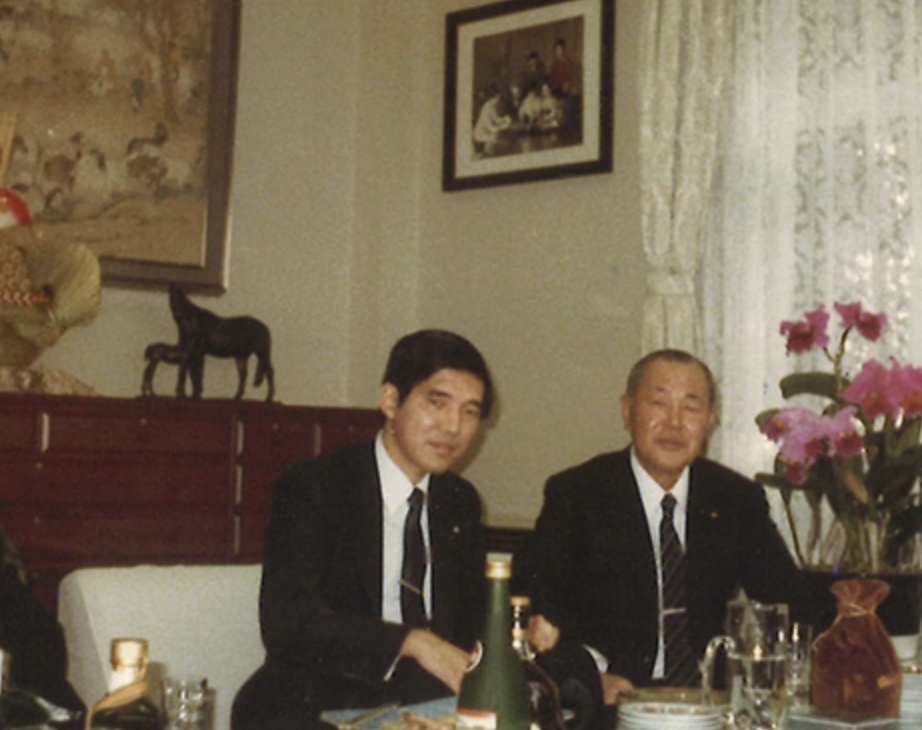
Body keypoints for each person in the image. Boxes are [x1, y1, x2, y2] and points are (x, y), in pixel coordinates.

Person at [232, 330, 494, 730]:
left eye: (470, 412)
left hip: (428, 702)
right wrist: (410, 642)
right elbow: (289, 623)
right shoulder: (316, 487)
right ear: (390, 400)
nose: (453, 426)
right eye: (437, 403)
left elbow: (472, 623)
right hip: (329, 693)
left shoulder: (460, 501)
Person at [523, 349, 814, 705]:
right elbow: (539, 607)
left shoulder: (735, 498)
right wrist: (589, 676)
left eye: (691, 408)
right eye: (658, 403)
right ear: (627, 410)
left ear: (710, 420)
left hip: (710, 701)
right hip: (614, 698)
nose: (674, 423)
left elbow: (789, 602)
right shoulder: (577, 495)